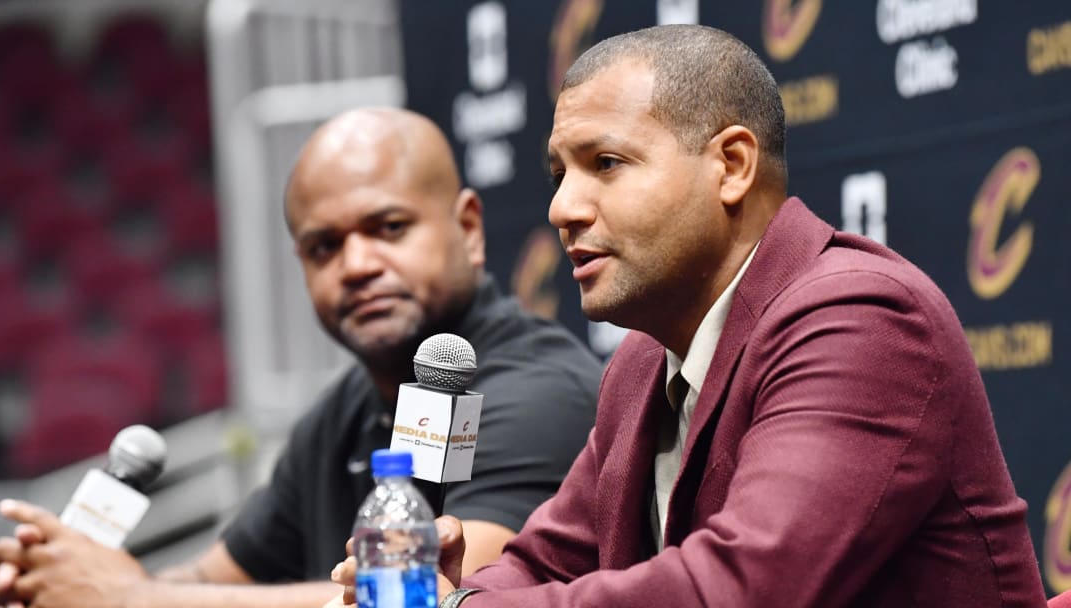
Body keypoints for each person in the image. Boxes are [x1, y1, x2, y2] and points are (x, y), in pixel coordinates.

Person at [326, 24, 1048, 607]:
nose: (561, 208)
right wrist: (440, 594)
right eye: (557, 174)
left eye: (605, 163)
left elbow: (746, 587)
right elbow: (544, 561)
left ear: (731, 165)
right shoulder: (642, 363)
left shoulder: (863, 319)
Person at [0, 108, 602, 608]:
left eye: (388, 228)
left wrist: (129, 599)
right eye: (325, 246)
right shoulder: (342, 412)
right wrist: (67, 581)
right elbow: (207, 583)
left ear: (468, 229)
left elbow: (455, 595)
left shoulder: (539, 392)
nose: (357, 266)